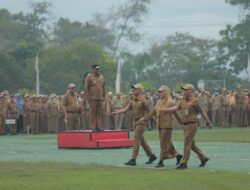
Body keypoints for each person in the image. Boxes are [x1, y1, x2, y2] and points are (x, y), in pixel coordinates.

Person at [160, 84, 212, 169]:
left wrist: (208, 122)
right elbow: (176, 107)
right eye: (184, 90)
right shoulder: (183, 100)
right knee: (191, 144)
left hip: (192, 125)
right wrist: (165, 110)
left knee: (187, 143)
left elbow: (202, 112)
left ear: (191, 91)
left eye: (186, 90)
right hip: (185, 125)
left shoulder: (195, 101)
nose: (185, 91)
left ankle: (184, 162)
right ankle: (203, 158)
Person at [112, 83, 157, 166]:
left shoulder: (144, 100)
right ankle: (152, 155)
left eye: (135, 89)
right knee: (141, 140)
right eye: (134, 89)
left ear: (140, 90)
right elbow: (126, 109)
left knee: (136, 140)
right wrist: (116, 112)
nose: (134, 90)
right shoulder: (133, 99)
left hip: (141, 122)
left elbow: (150, 111)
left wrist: (151, 119)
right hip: (135, 121)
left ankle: (133, 159)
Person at [139, 85, 183, 168]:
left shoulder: (171, 102)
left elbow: (176, 113)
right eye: (159, 91)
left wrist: (182, 123)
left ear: (166, 92)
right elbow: (153, 111)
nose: (160, 93)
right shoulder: (159, 101)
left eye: (161, 91)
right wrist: (145, 118)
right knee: (167, 143)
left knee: (163, 144)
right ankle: (178, 155)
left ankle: (161, 161)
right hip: (160, 125)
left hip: (167, 125)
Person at [85, 64, 105, 131]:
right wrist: (88, 98)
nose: (98, 70)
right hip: (92, 98)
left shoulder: (101, 77)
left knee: (99, 113)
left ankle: (98, 126)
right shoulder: (89, 77)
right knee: (92, 113)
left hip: (100, 98)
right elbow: (86, 88)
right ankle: (92, 126)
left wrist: (104, 96)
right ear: (93, 69)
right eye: (96, 69)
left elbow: (103, 87)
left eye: (98, 69)